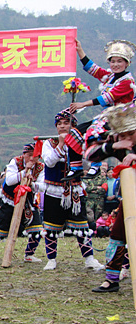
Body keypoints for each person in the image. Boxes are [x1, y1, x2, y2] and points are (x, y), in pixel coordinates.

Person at [40, 108, 104, 271]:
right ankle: (51, 259)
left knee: (81, 226)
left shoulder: (80, 141)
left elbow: (88, 158)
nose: (62, 126)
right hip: (54, 191)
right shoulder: (48, 143)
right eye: (59, 124)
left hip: (75, 190)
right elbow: (49, 162)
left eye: (66, 123)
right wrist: (61, 144)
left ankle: (89, 258)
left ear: (73, 125)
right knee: (51, 227)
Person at [65, 39, 135, 180]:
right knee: (75, 133)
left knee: (93, 133)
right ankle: (76, 167)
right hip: (108, 116)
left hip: (122, 118)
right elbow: (94, 69)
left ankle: (96, 166)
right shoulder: (110, 77)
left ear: (127, 63)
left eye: (119, 61)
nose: (115, 65)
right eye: (112, 61)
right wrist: (80, 51)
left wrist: (83, 104)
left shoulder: (127, 82)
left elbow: (108, 98)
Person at [87, 103, 136, 292]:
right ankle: (112, 279)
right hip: (130, 198)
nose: (126, 138)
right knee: (117, 235)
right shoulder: (119, 144)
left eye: (130, 134)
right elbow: (90, 154)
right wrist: (113, 145)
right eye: (122, 135)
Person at [0, 143, 45, 263]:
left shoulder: (41, 167)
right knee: (0, 231)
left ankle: (29, 255)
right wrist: (24, 172)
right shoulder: (15, 162)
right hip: (10, 200)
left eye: (34, 156)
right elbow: (9, 181)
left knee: (36, 229)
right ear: (24, 154)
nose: (31, 159)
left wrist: (31, 184)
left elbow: (42, 186)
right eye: (29, 155)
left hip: (28, 202)